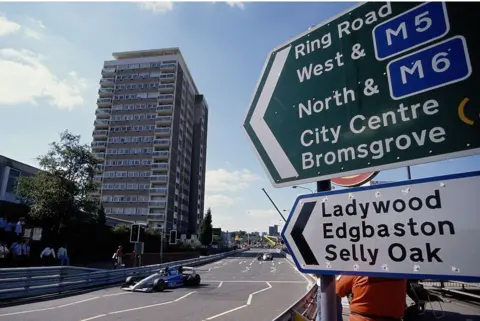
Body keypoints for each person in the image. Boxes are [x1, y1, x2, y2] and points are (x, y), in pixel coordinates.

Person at [336, 275, 407, 321]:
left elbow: (337, 289)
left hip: (362, 318)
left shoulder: (358, 268)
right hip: (394, 318)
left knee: (333, 297)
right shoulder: (399, 269)